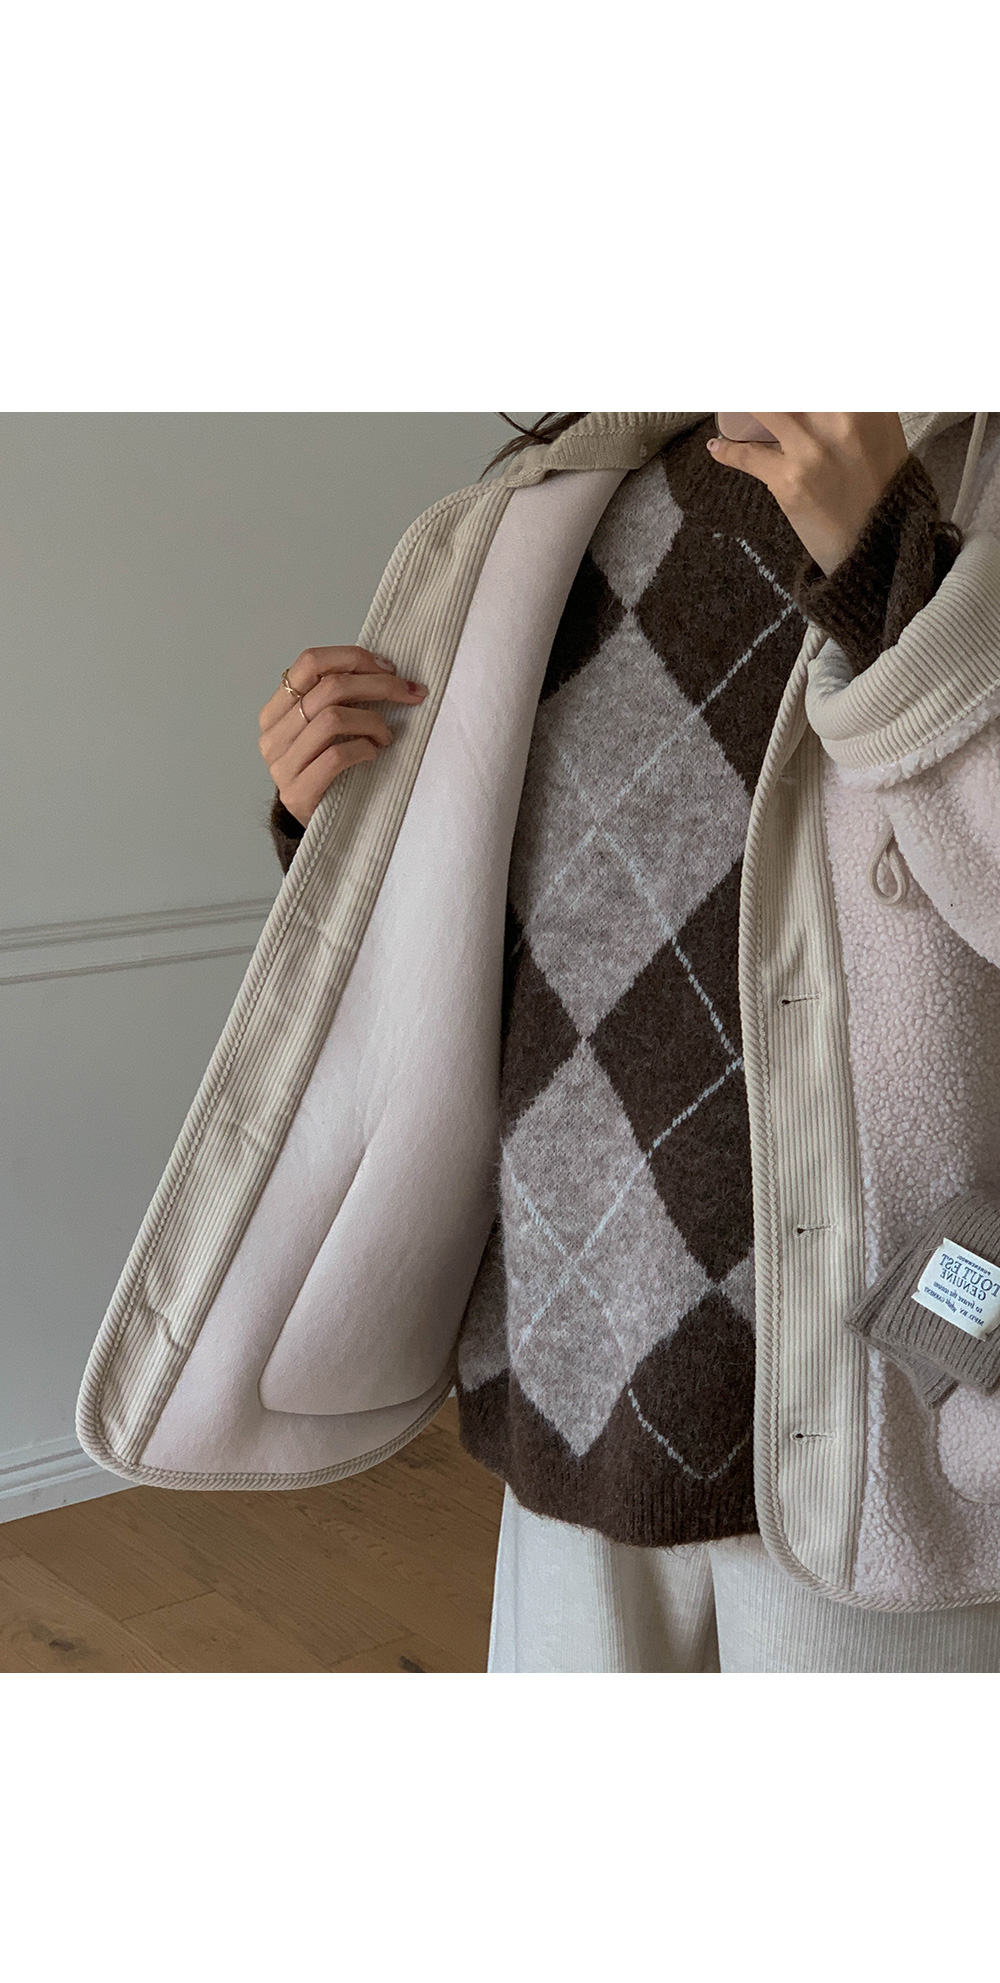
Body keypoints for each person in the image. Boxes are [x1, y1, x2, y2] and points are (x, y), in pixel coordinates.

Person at [259, 410, 1000, 1673]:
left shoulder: (967, 480)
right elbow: (501, 945)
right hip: (572, 1352)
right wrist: (336, 818)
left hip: (883, 1407)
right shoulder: (551, 502)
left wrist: (893, 574)